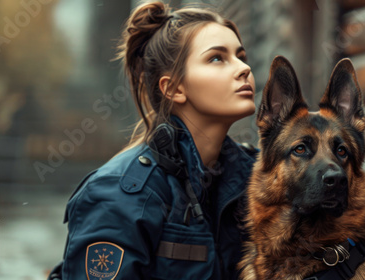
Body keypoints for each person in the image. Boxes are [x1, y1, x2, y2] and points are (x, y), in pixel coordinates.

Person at [52, 2, 257, 279]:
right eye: (217, 58)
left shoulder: (261, 178)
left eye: (240, 55)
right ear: (173, 88)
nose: (244, 68)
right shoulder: (118, 194)